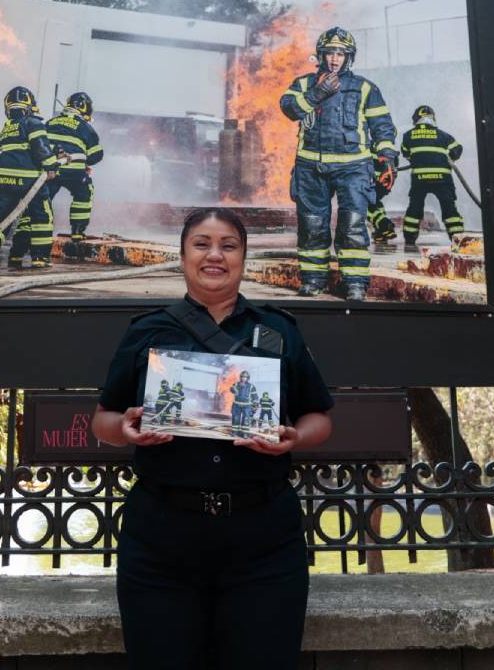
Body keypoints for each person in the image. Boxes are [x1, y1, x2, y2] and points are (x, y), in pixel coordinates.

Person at [93, 207, 334, 670]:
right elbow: (102, 420)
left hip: (264, 540)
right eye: (201, 244)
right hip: (161, 539)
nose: (215, 255)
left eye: (228, 245)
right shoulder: (146, 331)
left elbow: (319, 418)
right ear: (182, 257)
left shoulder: (278, 329)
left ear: (243, 258)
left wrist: (293, 437)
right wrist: (125, 430)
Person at [279, 27, 397, 301]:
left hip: (353, 169)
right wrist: (316, 94)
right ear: (320, 55)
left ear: (349, 57)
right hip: (310, 169)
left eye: (340, 54)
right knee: (312, 227)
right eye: (330, 53)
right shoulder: (304, 84)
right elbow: (288, 108)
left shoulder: (365, 88)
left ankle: (355, 283)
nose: (334, 59)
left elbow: (383, 127)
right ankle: (312, 280)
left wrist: (387, 157)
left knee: (353, 226)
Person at [0, 86, 59, 272]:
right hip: (27, 179)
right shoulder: (33, 122)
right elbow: (40, 146)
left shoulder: (8, 127)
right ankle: (40, 257)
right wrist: (52, 165)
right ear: (31, 106)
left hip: (0, 179)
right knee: (42, 216)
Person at [401, 104, 465, 249]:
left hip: (420, 179)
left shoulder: (408, 136)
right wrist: (450, 157)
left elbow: (406, 153)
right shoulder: (444, 136)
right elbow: (458, 149)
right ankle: (458, 239)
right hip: (442, 179)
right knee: (449, 208)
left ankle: (410, 239)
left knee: (415, 207)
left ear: (416, 119)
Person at [45, 92, 103, 242]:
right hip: (73, 171)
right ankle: (77, 231)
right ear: (85, 109)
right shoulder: (86, 127)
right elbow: (96, 155)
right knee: (84, 191)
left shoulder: (51, 122)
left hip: (51, 170)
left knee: (43, 198)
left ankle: (42, 229)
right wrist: (84, 162)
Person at [229, 369, 258, 435]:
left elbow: (255, 396)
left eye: (245, 377)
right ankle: (234, 432)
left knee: (246, 420)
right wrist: (233, 389)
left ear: (248, 378)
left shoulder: (251, 386)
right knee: (236, 419)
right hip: (236, 405)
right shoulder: (236, 384)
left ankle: (245, 433)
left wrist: (255, 405)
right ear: (240, 377)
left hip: (247, 406)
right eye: (242, 377)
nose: (243, 378)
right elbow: (231, 388)